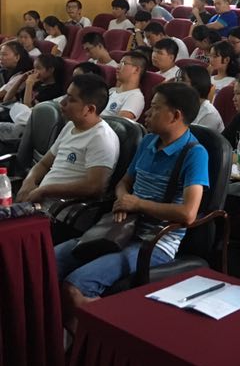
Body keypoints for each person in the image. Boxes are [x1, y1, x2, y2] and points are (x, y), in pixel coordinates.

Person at [54, 82, 209, 335]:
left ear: (175, 116)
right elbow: (124, 183)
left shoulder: (195, 154)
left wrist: (137, 204)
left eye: (155, 108)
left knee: (76, 287)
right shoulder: (148, 141)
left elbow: (188, 214)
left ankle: (106, 343)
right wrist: (123, 199)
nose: (147, 112)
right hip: (120, 229)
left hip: (155, 243)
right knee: (49, 261)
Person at [16, 74, 120, 204]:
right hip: (40, 200)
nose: (62, 102)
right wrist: (28, 182)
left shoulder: (101, 138)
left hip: (62, 209)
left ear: (89, 109)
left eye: (71, 99)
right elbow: (44, 164)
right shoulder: (71, 125)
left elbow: (94, 187)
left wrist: (45, 190)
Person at [0, 54, 64, 142]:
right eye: (34, 68)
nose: (34, 72)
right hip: (12, 114)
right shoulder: (37, 83)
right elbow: (7, 99)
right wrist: (21, 80)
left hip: (24, 124)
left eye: (38, 68)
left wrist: (29, 84)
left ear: (50, 70)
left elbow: (27, 108)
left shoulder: (54, 90)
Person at [101, 51, 147, 121]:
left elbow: (118, 124)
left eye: (123, 63)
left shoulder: (135, 97)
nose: (117, 67)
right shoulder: (112, 90)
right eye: (119, 63)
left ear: (136, 69)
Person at [178, 64, 225, 132]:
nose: (178, 84)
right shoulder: (183, 105)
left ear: (196, 84)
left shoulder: (209, 114)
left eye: (183, 80)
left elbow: (196, 138)